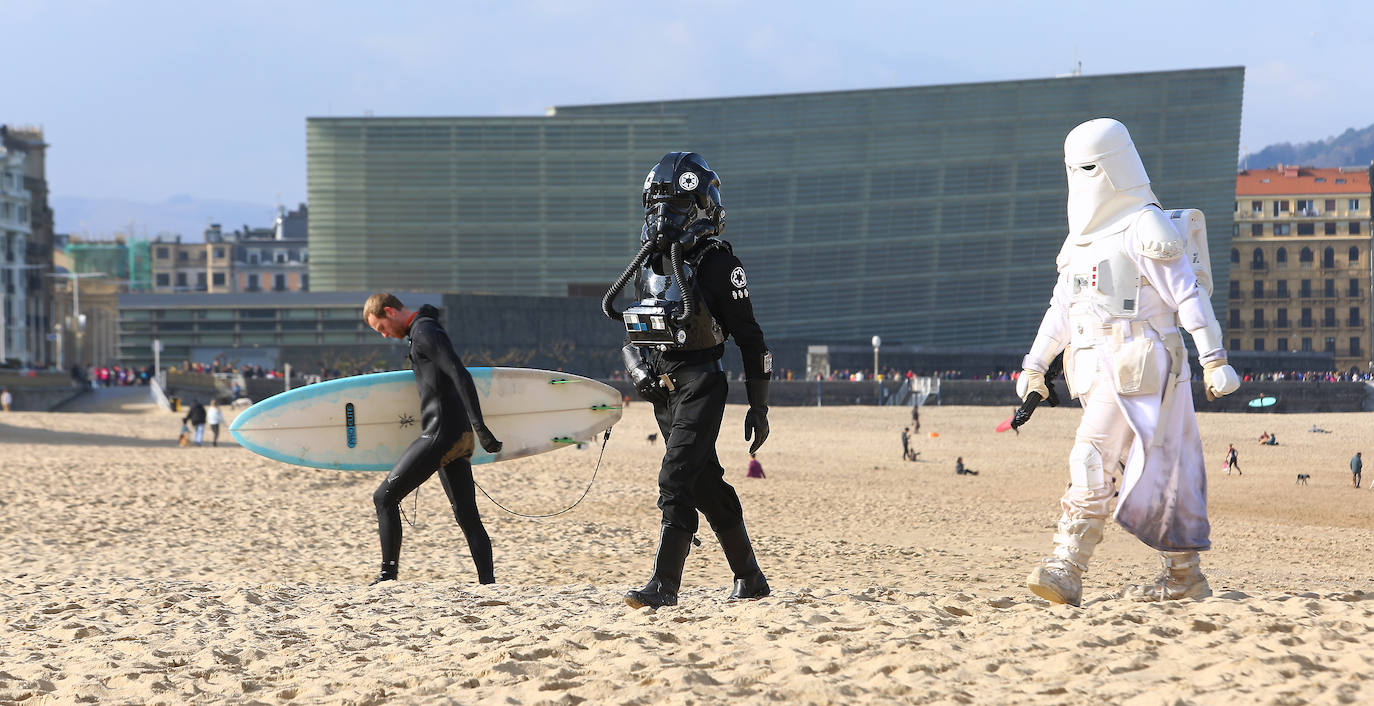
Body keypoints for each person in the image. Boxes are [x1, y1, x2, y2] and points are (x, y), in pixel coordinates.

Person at [1016, 118, 1240, 606]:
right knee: (1161, 470)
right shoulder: (1079, 241)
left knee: (1091, 456)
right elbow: (1061, 310)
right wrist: (1035, 364)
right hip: (1095, 366)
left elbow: (1187, 295)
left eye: (1090, 167)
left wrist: (1214, 357)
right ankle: (1184, 575)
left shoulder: (1145, 224)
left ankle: (1066, 564)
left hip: (1140, 360)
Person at [604, 151, 772, 609]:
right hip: (663, 386)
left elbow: (751, 338)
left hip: (702, 382)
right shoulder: (647, 264)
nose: (664, 217)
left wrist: (759, 406)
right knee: (704, 484)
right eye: (657, 207)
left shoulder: (718, 264)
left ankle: (664, 585)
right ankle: (751, 578)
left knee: (675, 477)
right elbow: (631, 331)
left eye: (675, 206)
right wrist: (639, 373)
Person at [363, 293, 503, 585]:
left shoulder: (425, 331)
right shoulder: (423, 331)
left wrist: (482, 428)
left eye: (382, 327)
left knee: (384, 498)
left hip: (441, 434)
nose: (386, 335)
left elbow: (459, 374)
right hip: (457, 436)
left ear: (390, 311)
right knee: (467, 515)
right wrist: (473, 431)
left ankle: (387, 577)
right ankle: (487, 584)